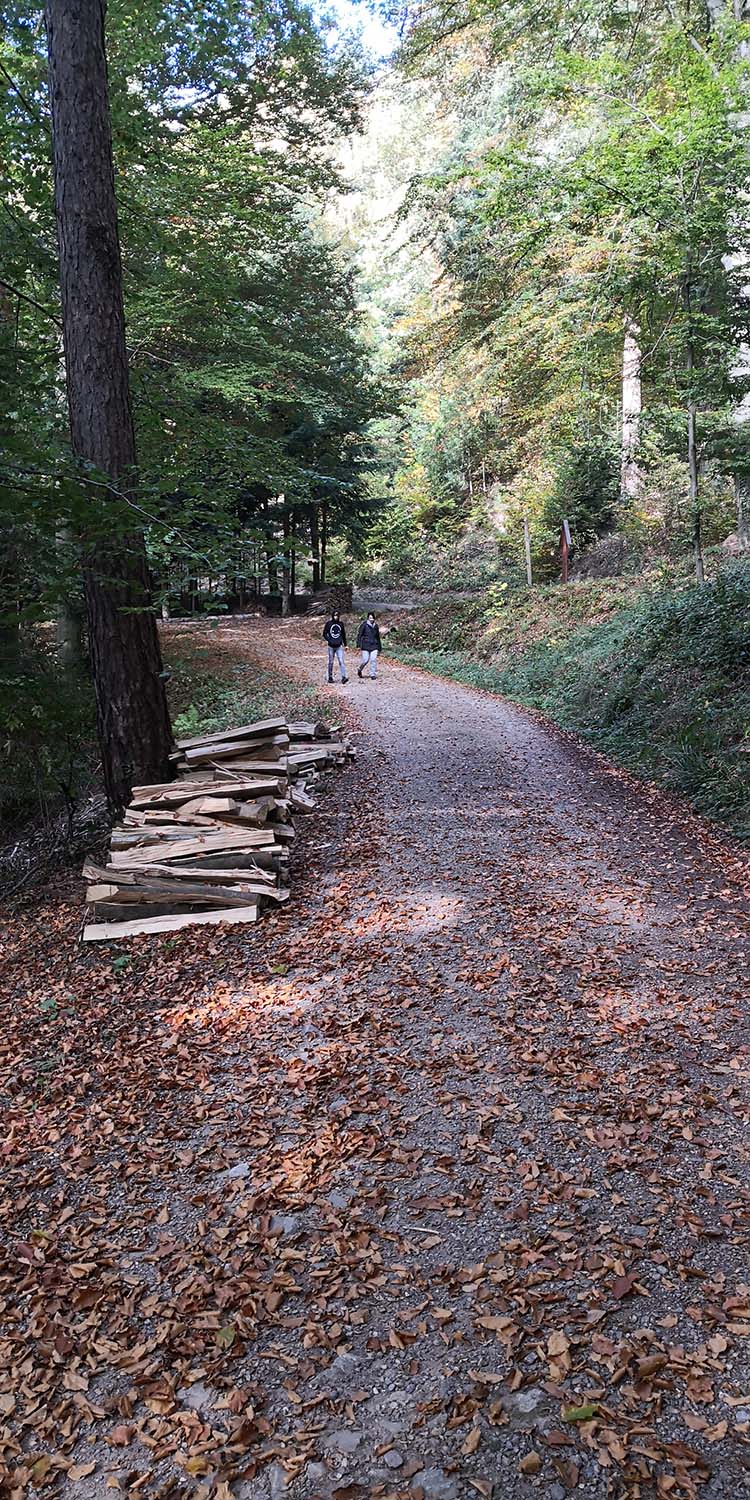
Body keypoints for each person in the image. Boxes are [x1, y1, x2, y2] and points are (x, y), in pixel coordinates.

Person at [323, 609, 348, 684]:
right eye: (334, 615)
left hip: (339, 646)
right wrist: (329, 640)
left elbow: (343, 635)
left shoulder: (341, 624)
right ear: (332, 616)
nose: (336, 617)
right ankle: (330, 677)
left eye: (337, 616)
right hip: (331, 646)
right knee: (331, 662)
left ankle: (344, 677)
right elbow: (324, 634)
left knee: (341, 661)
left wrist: (345, 644)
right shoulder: (329, 624)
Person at [356, 611, 382, 679]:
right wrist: (358, 645)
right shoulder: (364, 625)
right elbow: (359, 635)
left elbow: (378, 637)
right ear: (368, 618)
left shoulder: (376, 626)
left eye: (372, 618)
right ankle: (359, 669)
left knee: (373, 659)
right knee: (365, 660)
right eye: (370, 618)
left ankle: (372, 674)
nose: (371, 619)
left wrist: (379, 647)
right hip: (365, 645)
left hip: (374, 645)